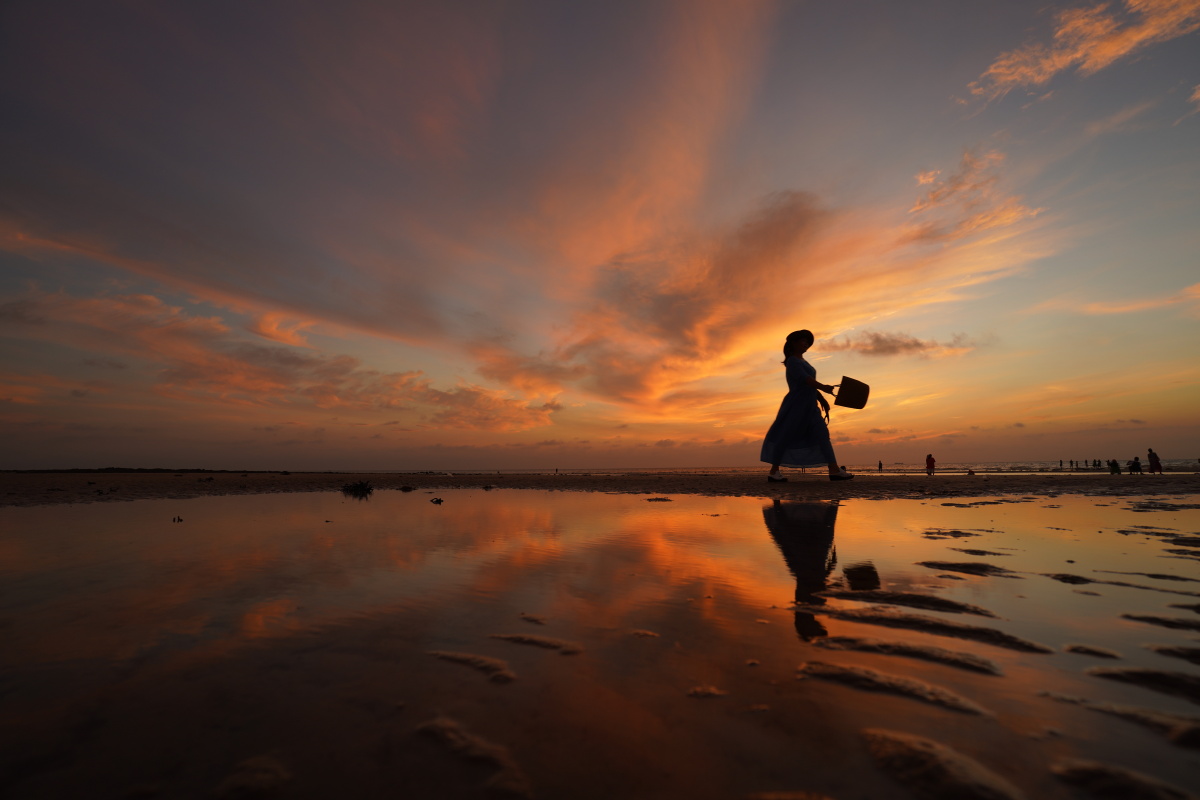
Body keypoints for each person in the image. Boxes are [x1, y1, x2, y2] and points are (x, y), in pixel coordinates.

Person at [761, 330, 853, 482]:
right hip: (796, 405)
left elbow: (809, 384)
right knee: (785, 437)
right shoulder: (792, 361)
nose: (806, 344)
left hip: (810, 406)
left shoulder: (803, 362)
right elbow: (805, 380)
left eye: (807, 342)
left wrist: (821, 398)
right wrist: (823, 387)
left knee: (823, 435)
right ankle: (773, 471)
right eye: (803, 341)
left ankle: (834, 470)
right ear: (793, 343)